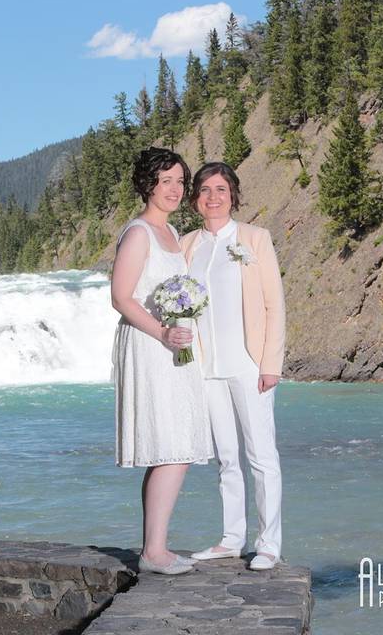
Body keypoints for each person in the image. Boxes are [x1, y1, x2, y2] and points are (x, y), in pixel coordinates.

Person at [111, 147, 214, 575]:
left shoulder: (171, 233)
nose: (174, 189)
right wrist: (164, 333)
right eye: (165, 180)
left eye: (179, 180)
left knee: (175, 444)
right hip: (152, 345)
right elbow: (120, 297)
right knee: (172, 445)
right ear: (147, 184)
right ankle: (153, 552)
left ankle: (155, 546)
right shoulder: (140, 233)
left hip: (175, 343)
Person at [180, 162, 286, 571]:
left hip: (250, 362)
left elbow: (274, 304)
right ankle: (230, 539)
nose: (213, 196)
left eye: (221, 189)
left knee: (261, 455)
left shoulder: (255, 239)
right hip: (206, 367)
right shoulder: (187, 244)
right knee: (226, 457)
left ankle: (269, 544)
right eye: (205, 190)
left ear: (233, 195)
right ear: (195, 199)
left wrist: (270, 363)